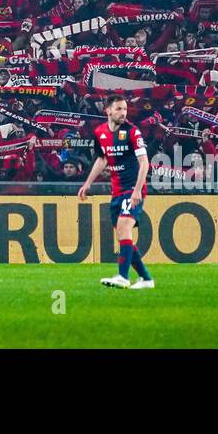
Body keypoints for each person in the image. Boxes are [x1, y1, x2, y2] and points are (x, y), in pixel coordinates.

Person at [78, 94, 153, 290]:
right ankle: (146, 279)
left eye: (125, 109)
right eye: (119, 109)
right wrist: (87, 184)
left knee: (124, 226)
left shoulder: (132, 132)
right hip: (117, 191)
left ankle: (122, 276)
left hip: (133, 189)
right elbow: (102, 159)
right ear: (108, 110)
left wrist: (137, 190)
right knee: (122, 232)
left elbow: (144, 162)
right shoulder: (100, 132)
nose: (123, 113)